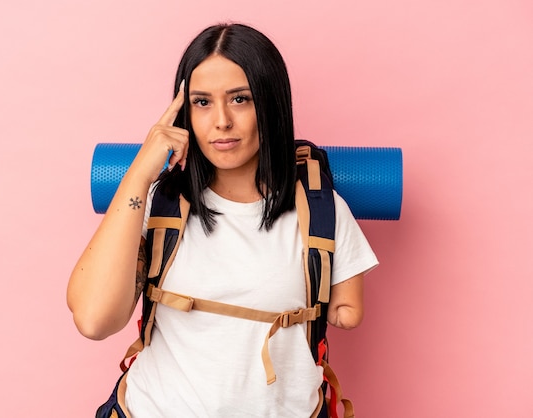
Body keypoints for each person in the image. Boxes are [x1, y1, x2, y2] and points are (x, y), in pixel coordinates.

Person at [67, 23, 378, 417]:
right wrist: (141, 172)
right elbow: (94, 321)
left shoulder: (321, 211)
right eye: (201, 102)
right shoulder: (160, 203)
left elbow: (347, 309)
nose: (221, 121)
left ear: (271, 104)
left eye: (240, 99)